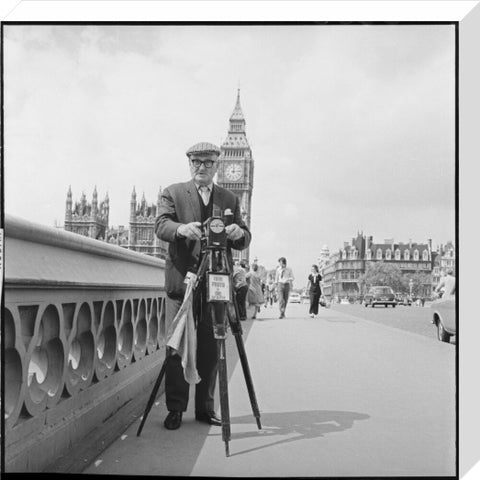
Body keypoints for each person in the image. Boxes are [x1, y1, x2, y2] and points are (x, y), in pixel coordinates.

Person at [155, 141, 251, 431]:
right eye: (196, 162)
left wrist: (238, 232)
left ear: (216, 166)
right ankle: (175, 408)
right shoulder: (172, 193)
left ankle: (205, 408)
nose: (201, 167)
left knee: (211, 347)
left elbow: (245, 238)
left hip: (216, 284)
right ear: (189, 164)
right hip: (181, 283)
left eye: (208, 163)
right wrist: (181, 229)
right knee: (176, 345)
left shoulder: (229, 198)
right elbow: (161, 226)